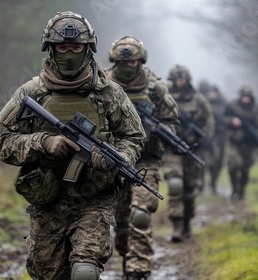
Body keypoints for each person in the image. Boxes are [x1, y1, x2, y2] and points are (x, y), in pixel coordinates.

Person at [0, 11, 146, 280]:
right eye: (63, 46)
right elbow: (0, 141)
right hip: (47, 201)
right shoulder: (31, 93)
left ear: (88, 49)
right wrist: (43, 142)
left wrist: (116, 158)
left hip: (94, 200)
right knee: (47, 274)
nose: (70, 53)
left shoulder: (109, 93)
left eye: (76, 47)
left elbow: (133, 137)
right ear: (50, 48)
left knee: (84, 271)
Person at [106, 35, 180, 279]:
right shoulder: (102, 83)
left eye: (133, 62)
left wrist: (154, 130)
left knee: (140, 215)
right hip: (113, 161)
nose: (128, 66)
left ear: (141, 60)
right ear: (114, 61)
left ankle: (138, 272)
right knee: (121, 221)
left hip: (146, 161)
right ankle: (125, 252)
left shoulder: (155, 87)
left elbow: (171, 123)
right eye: (122, 62)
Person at [163, 64, 214, 242]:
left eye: (183, 79)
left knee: (189, 190)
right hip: (172, 149)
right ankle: (176, 226)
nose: (180, 82)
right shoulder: (164, 97)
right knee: (175, 185)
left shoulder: (199, 100)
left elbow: (209, 120)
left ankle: (186, 223)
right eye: (177, 79)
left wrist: (203, 138)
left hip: (193, 149)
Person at [223, 85, 258, 201]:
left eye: (247, 97)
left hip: (249, 143)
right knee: (233, 165)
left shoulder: (256, 109)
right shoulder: (232, 106)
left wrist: (256, 135)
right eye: (243, 96)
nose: (245, 99)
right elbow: (222, 119)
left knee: (245, 169)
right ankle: (234, 188)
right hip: (235, 142)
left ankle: (241, 190)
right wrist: (232, 121)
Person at [198, 81, 227, 195]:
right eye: (210, 93)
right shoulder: (204, 103)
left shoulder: (223, 104)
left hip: (220, 137)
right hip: (207, 136)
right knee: (203, 160)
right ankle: (201, 184)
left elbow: (226, 118)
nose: (212, 95)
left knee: (218, 161)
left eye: (214, 93)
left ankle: (213, 183)